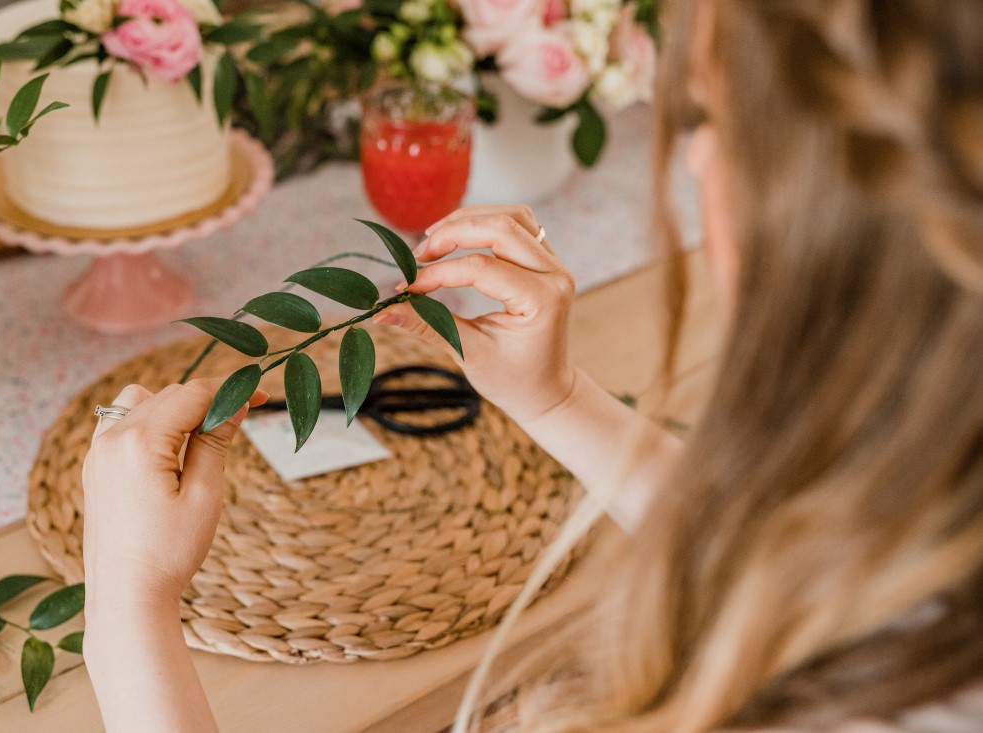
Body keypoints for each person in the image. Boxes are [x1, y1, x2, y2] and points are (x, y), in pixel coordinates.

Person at [80, 0, 983, 730]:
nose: (697, 154)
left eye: (715, 117)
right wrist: (553, 400)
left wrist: (126, 606)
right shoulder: (926, 490)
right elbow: (794, 566)